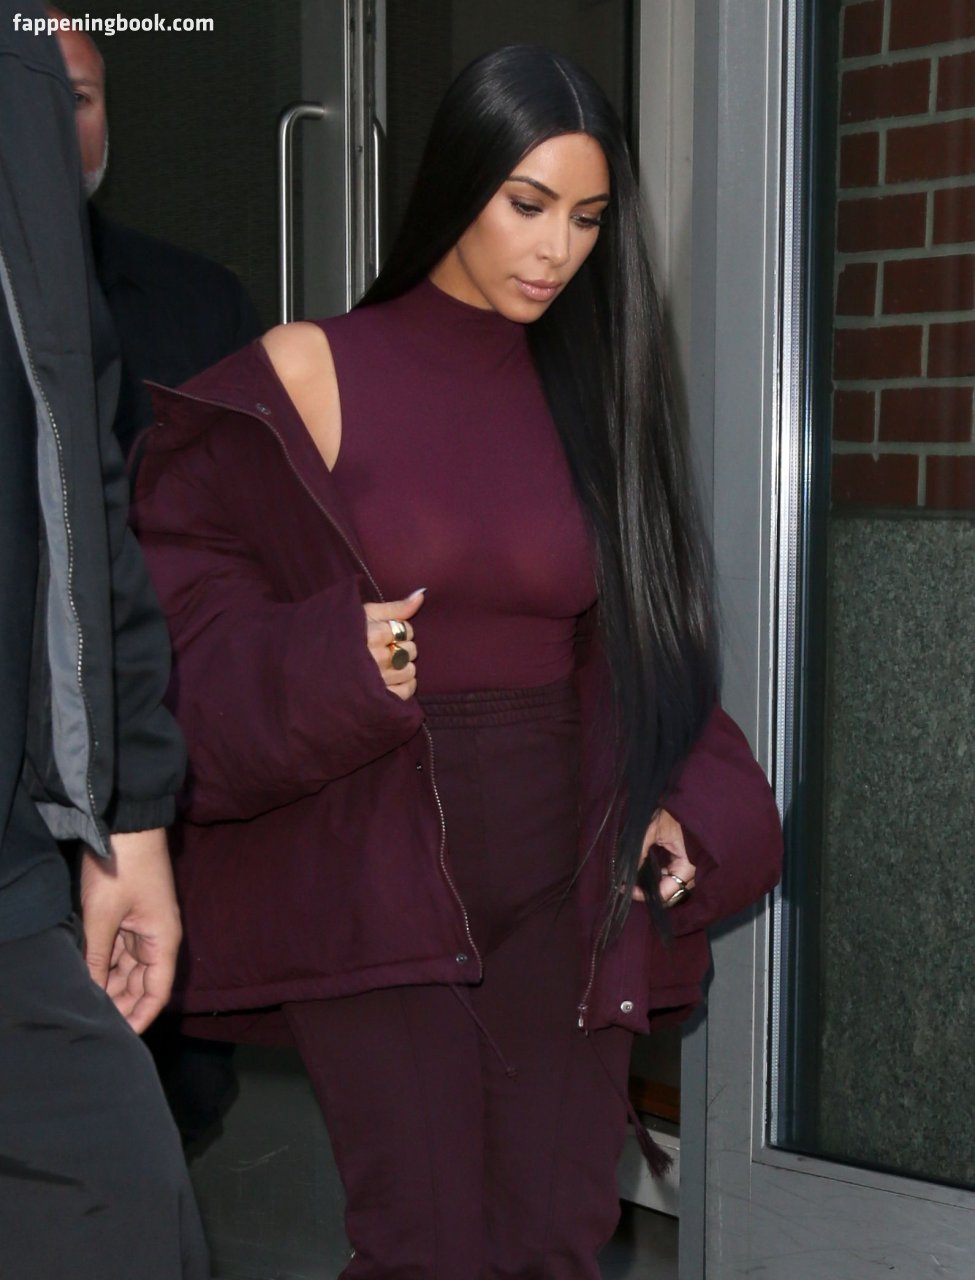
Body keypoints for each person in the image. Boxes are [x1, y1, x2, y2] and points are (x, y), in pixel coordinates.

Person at [132, 46, 783, 1278]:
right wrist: (341, 658)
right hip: (380, 859)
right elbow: (176, 619)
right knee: (424, 1245)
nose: (557, 249)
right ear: (457, 183)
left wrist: (684, 803)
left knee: (554, 1240)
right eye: (528, 204)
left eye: (588, 218)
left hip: (566, 874)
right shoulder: (309, 370)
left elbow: (642, 646)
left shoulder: (595, 392)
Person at [0, 4, 208, 1275]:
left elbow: (76, 467)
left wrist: (127, 815)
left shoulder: (17, 61)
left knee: (123, 1199)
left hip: (15, 868)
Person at [51, 8, 262, 461]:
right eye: (27, 94)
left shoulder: (204, 302)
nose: (54, 121)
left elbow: (249, 483)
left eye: (76, 97)